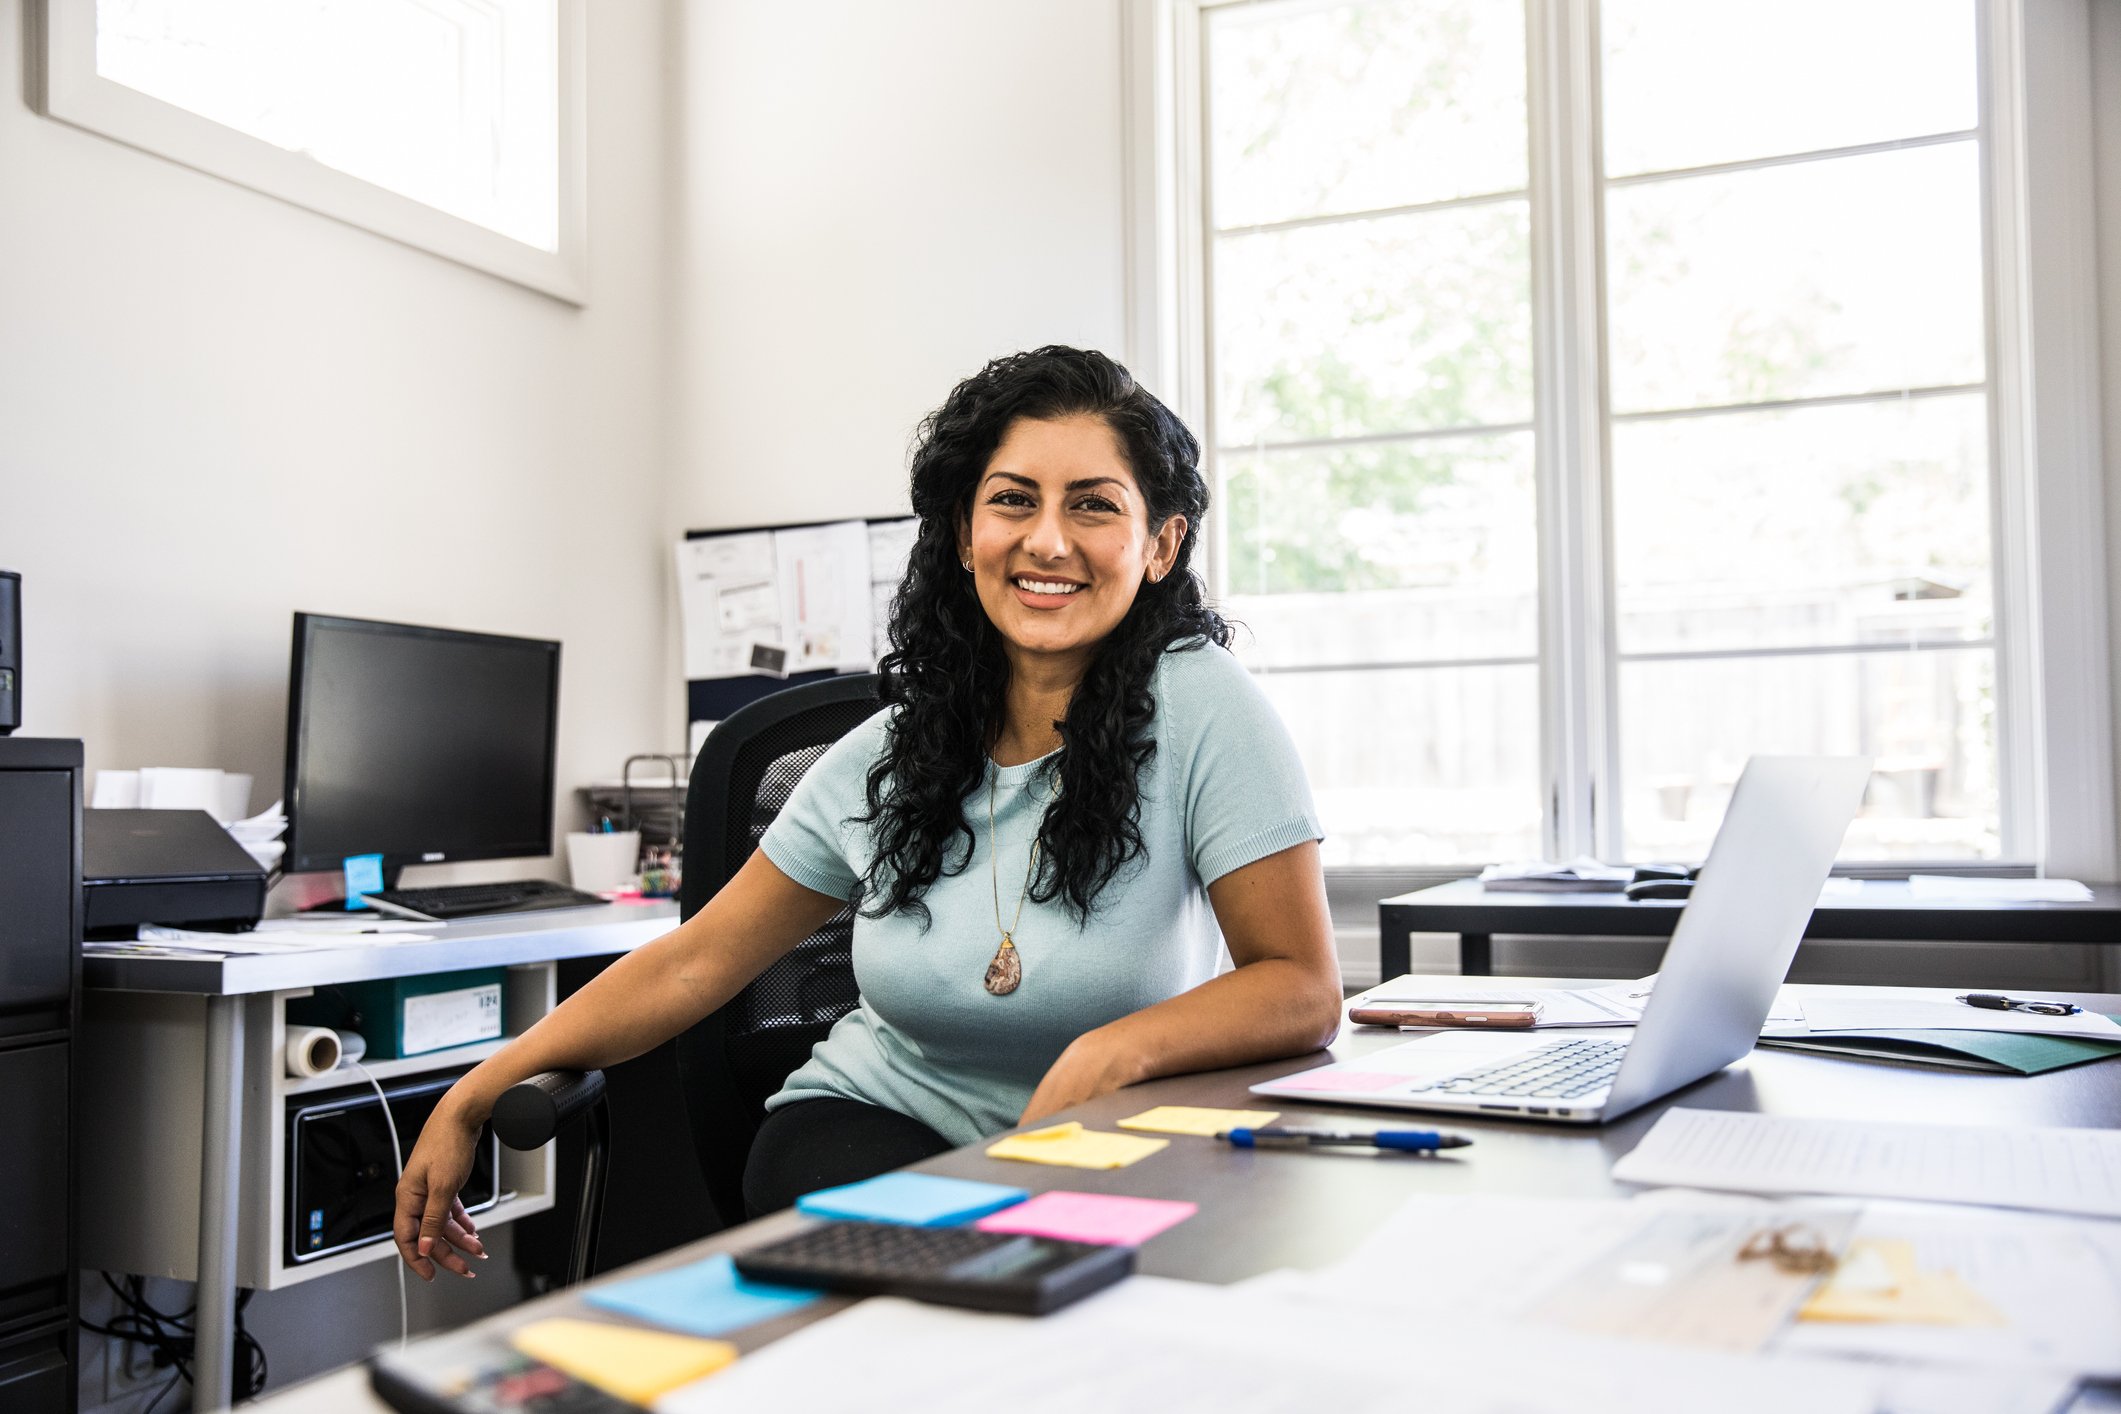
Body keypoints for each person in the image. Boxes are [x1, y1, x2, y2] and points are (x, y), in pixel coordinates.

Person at [393, 346, 1342, 1282]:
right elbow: (693, 962)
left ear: (1160, 543)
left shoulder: (1205, 710)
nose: (1047, 541)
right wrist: (477, 1088)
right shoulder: (891, 752)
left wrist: (1114, 1049)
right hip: (870, 1127)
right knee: (964, 1295)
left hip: (1109, 1138)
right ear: (966, 533)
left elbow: (1299, 985)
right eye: (1012, 499)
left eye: (1092, 504)